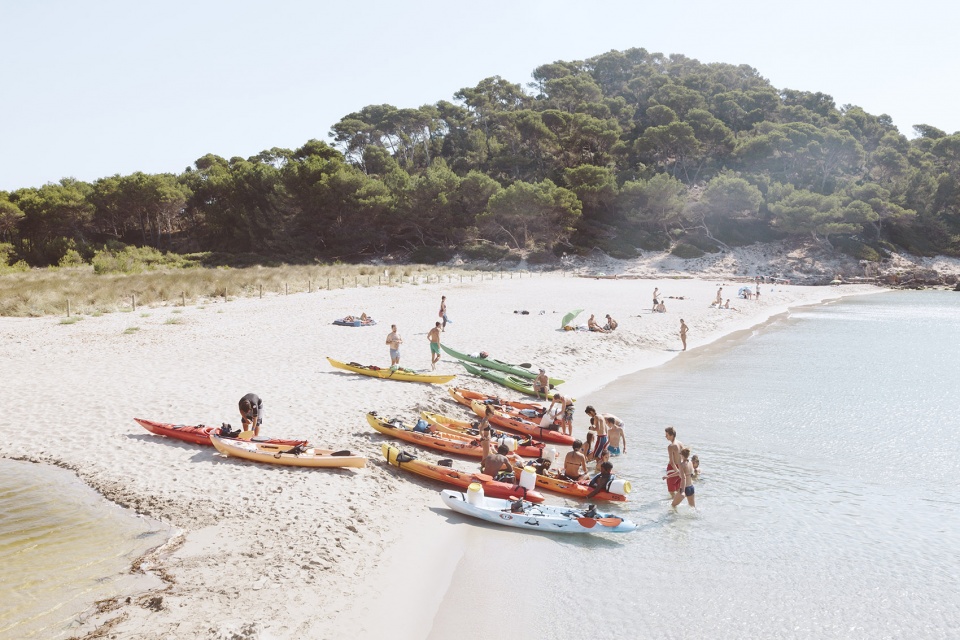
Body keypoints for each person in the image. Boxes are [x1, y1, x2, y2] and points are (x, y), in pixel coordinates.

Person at [662, 426, 685, 498]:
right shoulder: (680, 443)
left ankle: (673, 508)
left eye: (667, 435)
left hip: (673, 469)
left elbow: (672, 462)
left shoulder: (671, 446)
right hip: (680, 468)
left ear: (672, 435)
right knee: (678, 491)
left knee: (671, 493)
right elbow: (684, 458)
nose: (665, 437)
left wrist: (677, 472)